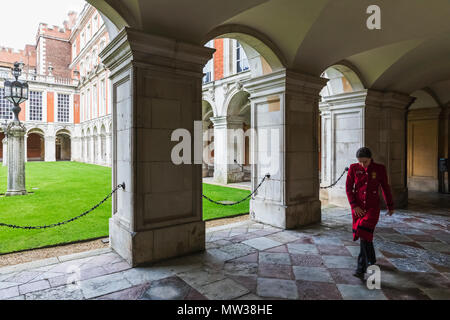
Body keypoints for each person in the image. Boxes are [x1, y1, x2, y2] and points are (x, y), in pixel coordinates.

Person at [345, 147, 394, 278]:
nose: (362, 164)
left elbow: (385, 187)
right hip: (358, 208)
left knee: (362, 230)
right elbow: (349, 188)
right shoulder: (353, 168)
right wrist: (354, 206)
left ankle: (361, 268)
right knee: (365, 235)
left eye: (365, 161)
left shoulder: (379, 169)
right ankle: (371, 259)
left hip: (372, 208)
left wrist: (390, 205)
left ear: (371, 159)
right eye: (360, 161)